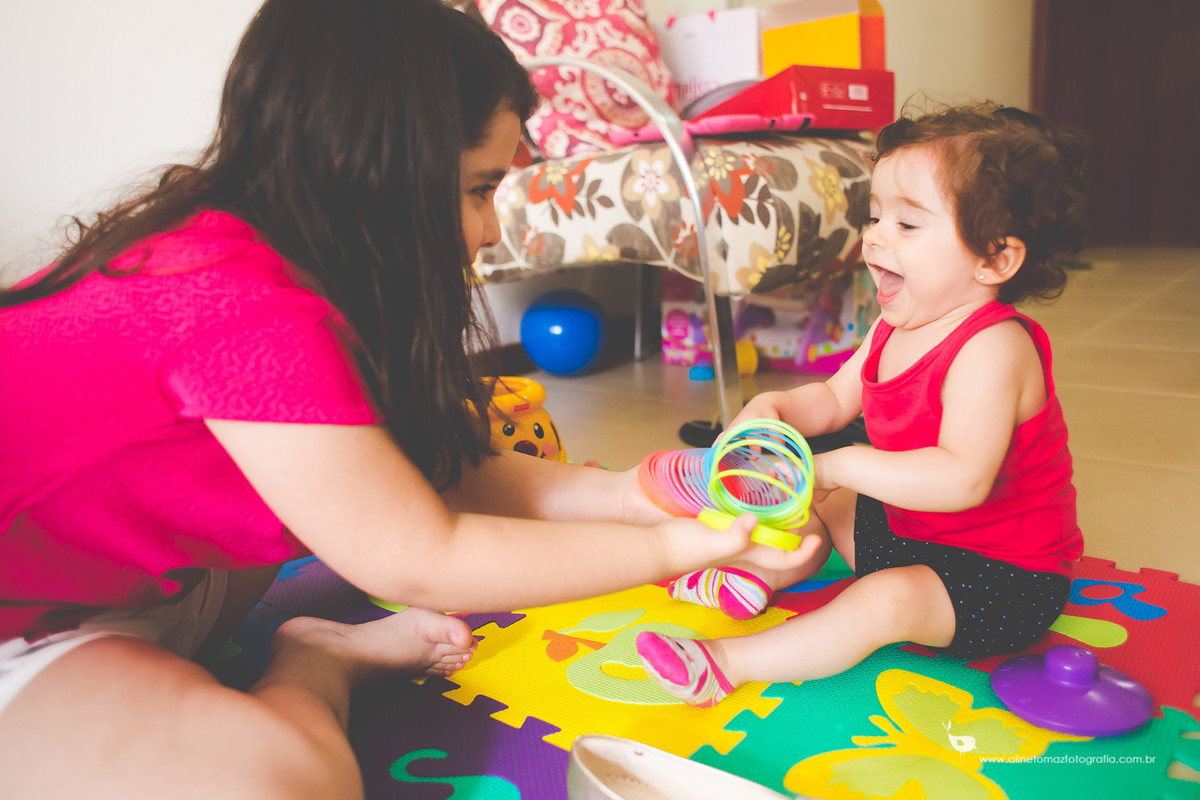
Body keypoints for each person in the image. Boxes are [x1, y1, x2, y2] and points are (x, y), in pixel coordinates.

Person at [0, 1, 822, 796]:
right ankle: (316, 664)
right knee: (287, 782)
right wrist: (689, 550)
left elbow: (441, 474)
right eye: (478, 189)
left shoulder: (293, 265)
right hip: (30, 622)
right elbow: (421, 555)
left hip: (151, 583)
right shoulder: (231, 302)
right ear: (372, 166)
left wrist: (640, 496)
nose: (491, 228)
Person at [636, 102, 1090, 707]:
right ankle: (768, 572)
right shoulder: (892, 328)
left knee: (881, 594)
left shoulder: (994, 348)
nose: (874, 236)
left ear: (994, 259)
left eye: (907, 225)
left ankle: (727, 664)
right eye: (875, 216)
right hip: (910, 532)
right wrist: (773, 409)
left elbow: (960, 479)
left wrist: (832, 465)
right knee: (817, 480)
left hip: (1001, 579)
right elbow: (829, 399)